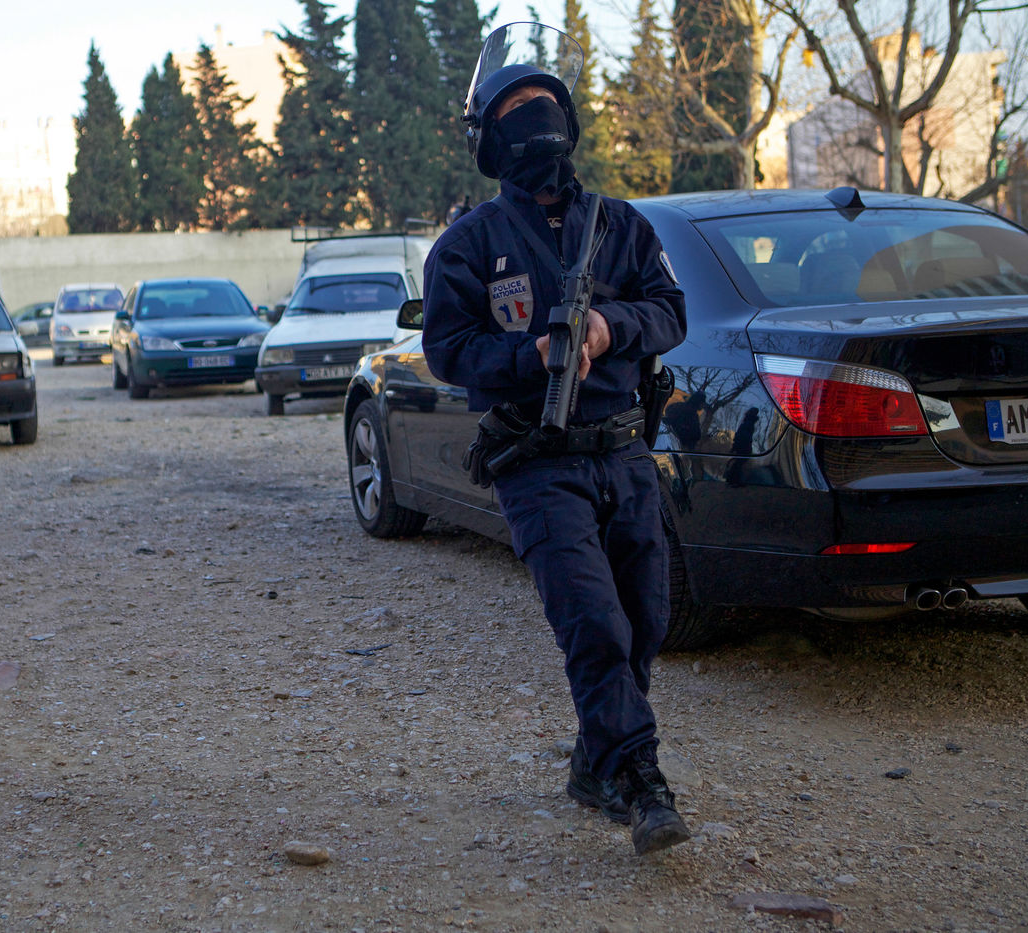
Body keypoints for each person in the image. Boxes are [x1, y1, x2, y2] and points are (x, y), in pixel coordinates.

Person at [420, 23, 690, 856]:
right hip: (537, 461)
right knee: (594, 623)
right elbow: (448, 350)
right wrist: (527, 355)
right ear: (491, 138)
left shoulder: (621, 226)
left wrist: (611, 325)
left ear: (567, 122)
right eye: (516, 108)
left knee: (644, 618)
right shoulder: (469, 245)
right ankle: (640, 778)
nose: (534, 118)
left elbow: (672, 312)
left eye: (544, 102)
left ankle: (592, 760)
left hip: (623, 452)